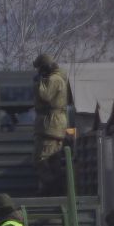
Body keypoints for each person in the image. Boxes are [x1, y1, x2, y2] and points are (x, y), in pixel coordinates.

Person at [32, 54, 71, 196]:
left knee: (40, 159)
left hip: (50, 125)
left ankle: (52, 188)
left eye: (40, 69)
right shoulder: (57, 79)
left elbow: (45, 96)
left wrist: (39, 83)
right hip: (51, 125)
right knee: (53, 160)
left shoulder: (54, 80)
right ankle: (55, 189)